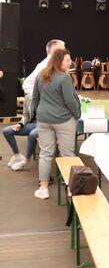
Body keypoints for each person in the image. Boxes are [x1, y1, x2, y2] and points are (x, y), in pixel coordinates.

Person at [31, 48, 80, 200]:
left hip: (43, 120)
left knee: (45, 154)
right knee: (68, 155)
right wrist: (77, 115)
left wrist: (39, 113)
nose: (70, 63)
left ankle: (43, 188)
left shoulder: (41, 75)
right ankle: (70, 188)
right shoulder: (65, 78)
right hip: (63, 120)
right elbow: (70, 101)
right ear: (59, 61)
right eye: (67, 60)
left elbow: (35, 98)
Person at [3, 94, 37, 171]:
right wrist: (20, 124)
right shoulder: (28, 97)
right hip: (32, 124)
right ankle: (17, 155)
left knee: (32, 134)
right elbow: (26, 114)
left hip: (44, 124)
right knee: (7, 131)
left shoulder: (46, 95)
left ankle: (26, 160)